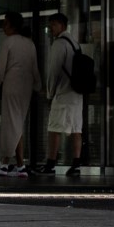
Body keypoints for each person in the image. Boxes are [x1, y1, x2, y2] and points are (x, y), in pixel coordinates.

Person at [35, 13, 84, 177]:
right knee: (76, 129)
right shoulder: (75, 44)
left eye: (54, 25)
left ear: (62, 25)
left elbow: (54, 71)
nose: (51, 28)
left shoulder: (59, 44)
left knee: (54, 128)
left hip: (63, 94)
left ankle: (50, 164)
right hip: (77, 94)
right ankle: (76, 165)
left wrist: (49, 93)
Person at [0, 12, 40, 177]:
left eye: (5, 23)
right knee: (17, 123)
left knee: (10, 123)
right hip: (26, 87)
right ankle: (20, 165)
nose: (3, 27)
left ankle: (4, 163)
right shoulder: (30, 44)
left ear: (12, 25)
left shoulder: (8, 42)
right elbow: (35, 68)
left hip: (12, 84)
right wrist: (38, 86)